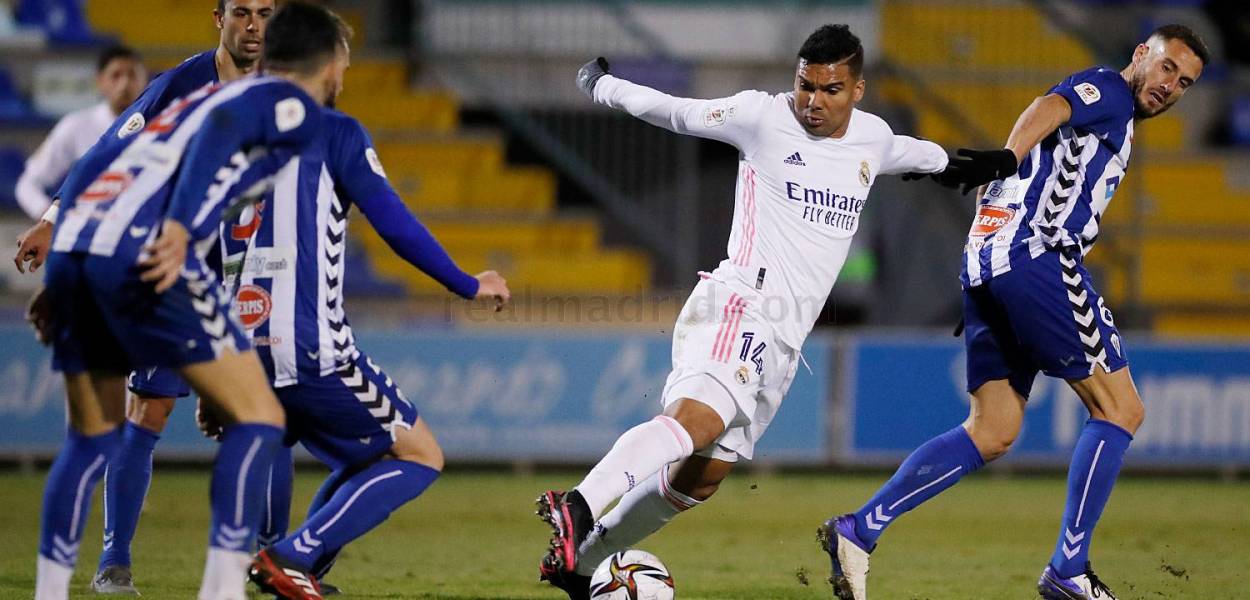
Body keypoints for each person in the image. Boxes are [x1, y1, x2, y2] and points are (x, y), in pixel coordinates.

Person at [534, 25, 949, 600]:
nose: (813, 101)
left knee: (699, 480)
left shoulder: (871, 139)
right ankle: (579, 504)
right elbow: (674, 111)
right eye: (805, 85)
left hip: (785, 340)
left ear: (856, 90)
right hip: (741, 303)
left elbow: (920, 154)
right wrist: (601, 86)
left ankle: (580, 567)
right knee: (698, 420)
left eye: (829, 90)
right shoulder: (762, 117)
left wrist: (981, 162)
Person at [818, 24, 1209, 600]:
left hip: (990, 261)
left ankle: (858, 531)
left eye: (1185, 82)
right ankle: (1069, 570)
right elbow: (1050, 105)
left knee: (994, 429)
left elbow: (1004, 184)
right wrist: (1006, 157)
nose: (1171, 85)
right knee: (1121, 409)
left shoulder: (1113, 116)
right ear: (1140, 55)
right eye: (1167, 67)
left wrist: (988, 269)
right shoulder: (1110, 91)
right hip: (1038, 257)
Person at [33, 3, 347, 599]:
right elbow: (109, 152)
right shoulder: (182, 85)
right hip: (177, 271)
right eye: (242, 12)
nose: (253, 25)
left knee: (271, 415)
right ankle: (113, 561)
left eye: (265, 13)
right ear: (218, 17)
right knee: (147, 410)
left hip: (258, 273)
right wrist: (55, 220)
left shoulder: (289, 87)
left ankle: (272, 563)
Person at [223, 50, 510, 596]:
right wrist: (467, 283)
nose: (346, 75)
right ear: (326, 64)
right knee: (419, 454)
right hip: (310, 343)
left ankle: (297, 567)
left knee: (369, 453)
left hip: (240, 341)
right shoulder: (335, 131)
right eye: (344, 63)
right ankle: (290, 556)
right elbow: (394, 223)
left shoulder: (230, 133)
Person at [15, 45, 146, 220]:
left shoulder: (161, 125)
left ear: (145, 81)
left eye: (132, 75)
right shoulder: (76, 126)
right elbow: (27, 185)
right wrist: (50, 219)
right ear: (100, 81)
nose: (125, 83)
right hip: (85, 227)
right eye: (116, 75)